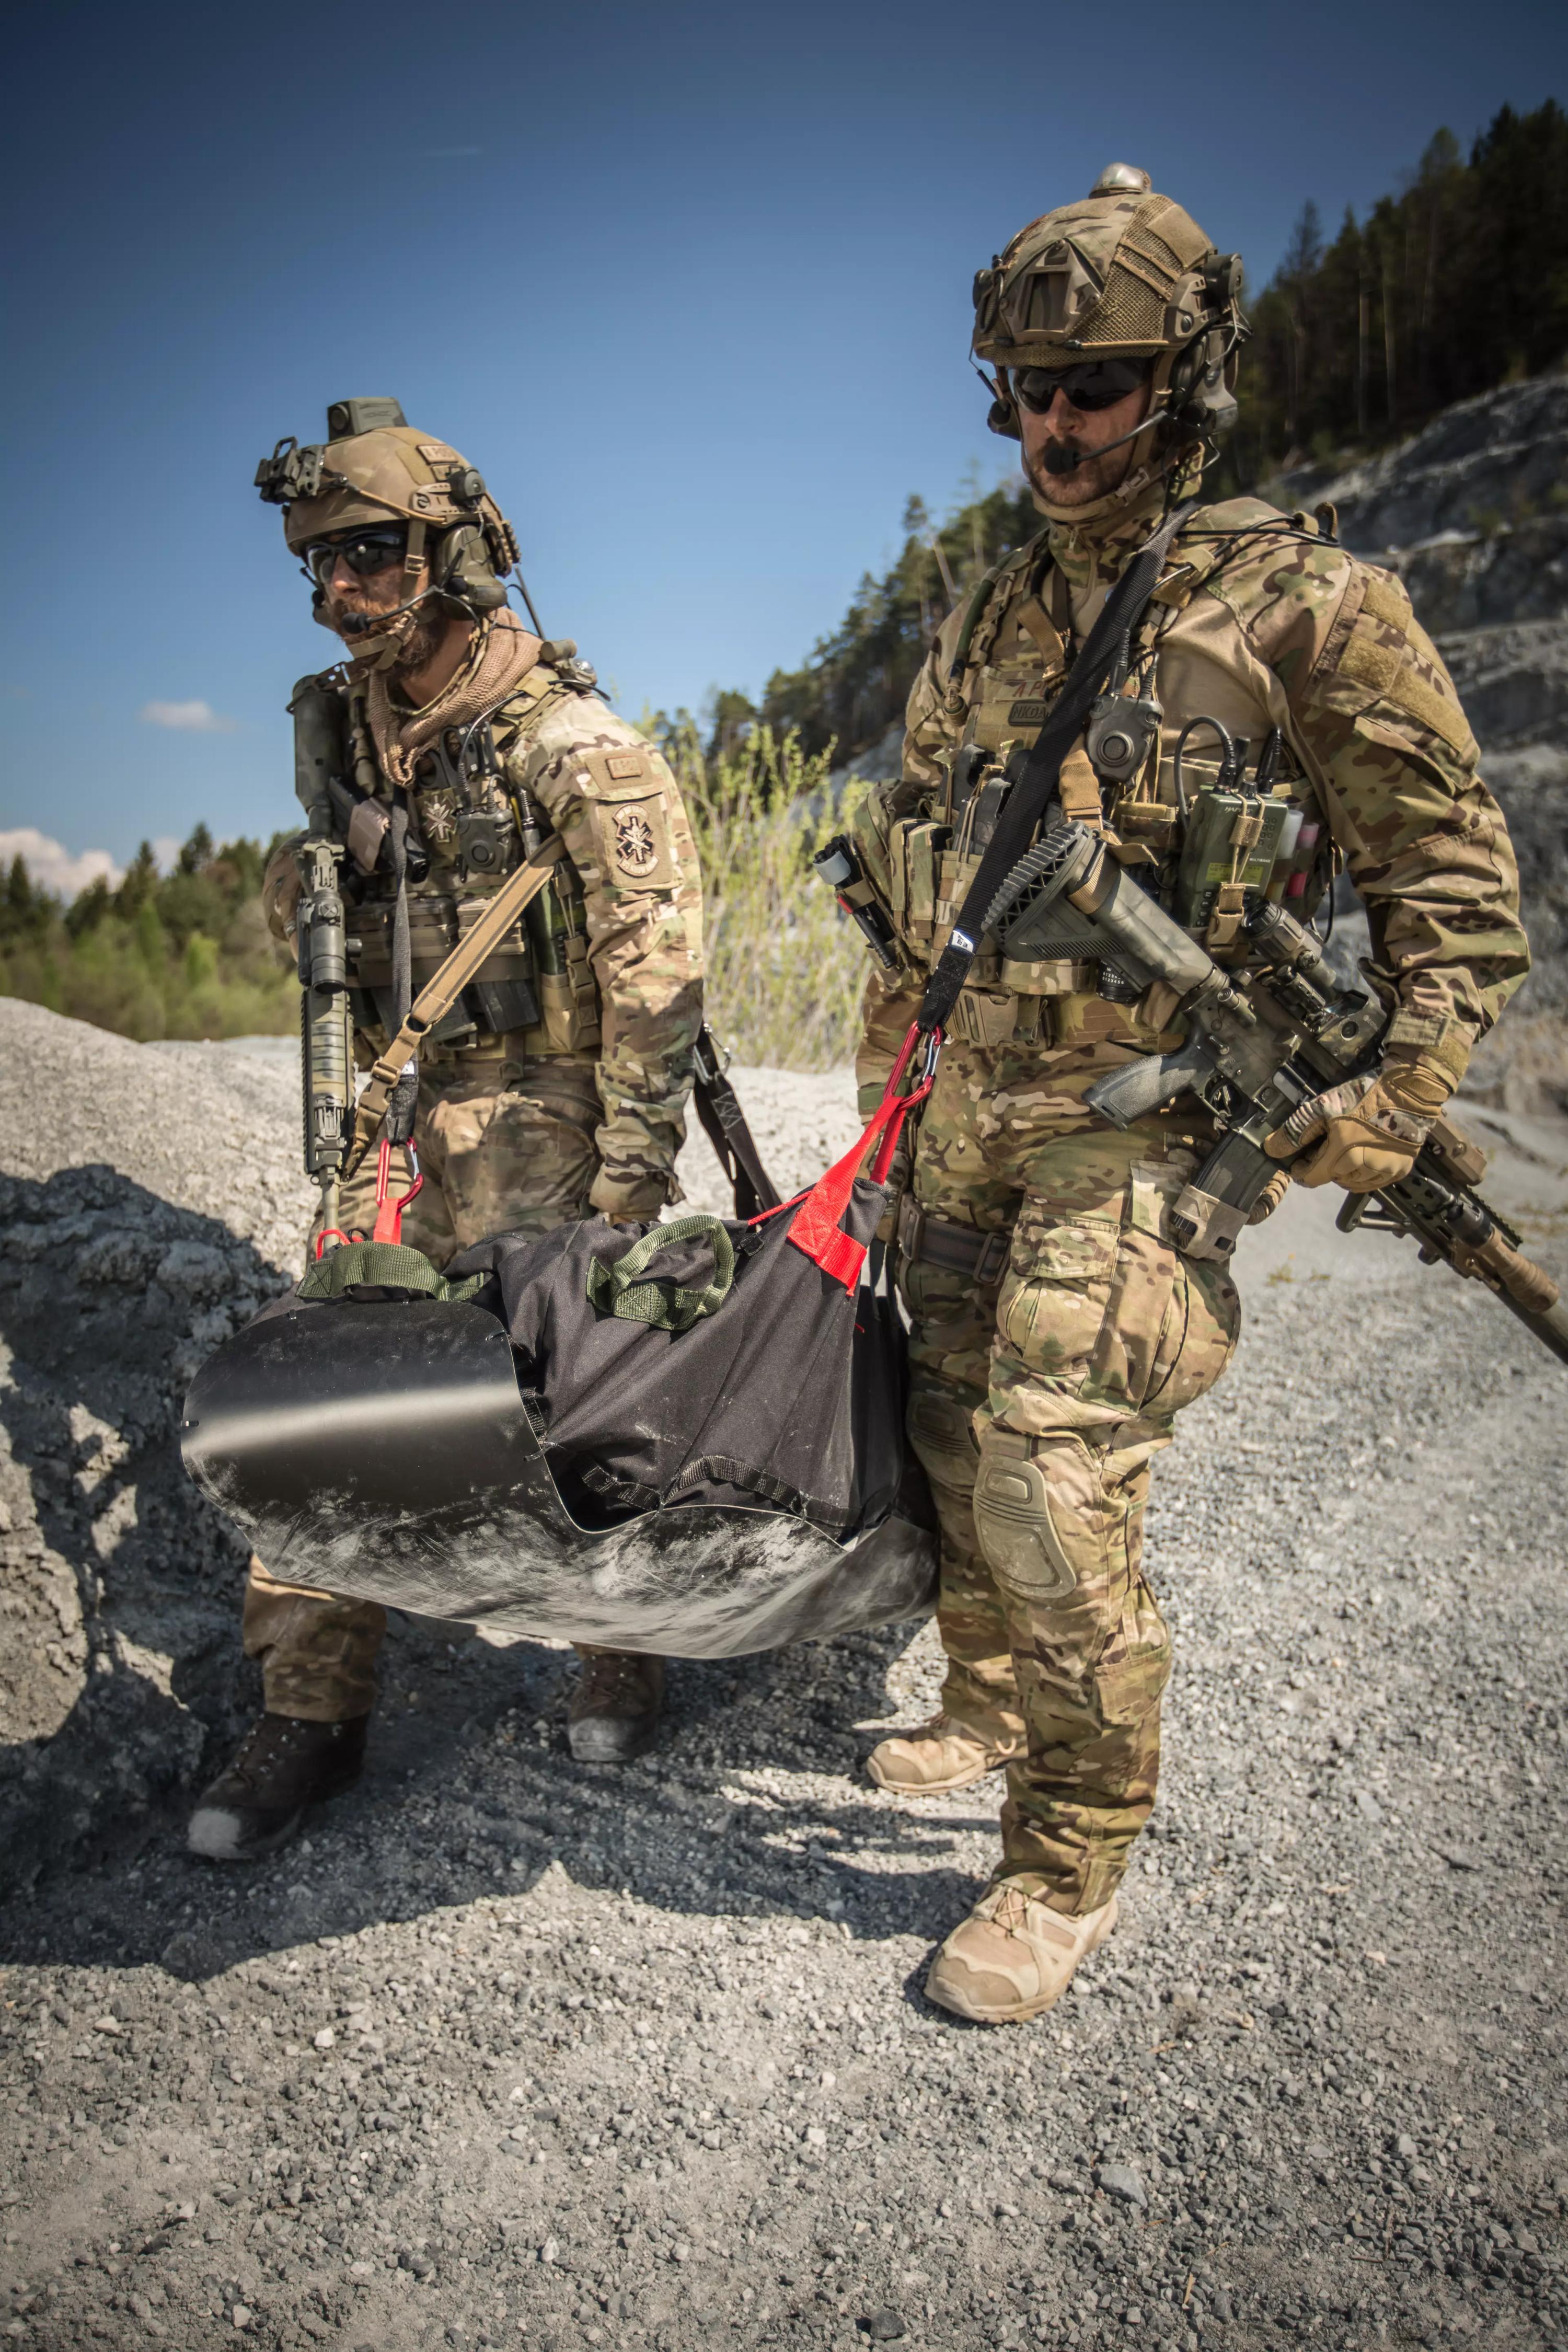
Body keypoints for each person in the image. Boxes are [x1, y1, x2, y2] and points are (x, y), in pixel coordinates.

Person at [848, 168, 1529, 2021]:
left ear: (1189, 378)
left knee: (1056, 1471)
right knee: (946, 1437)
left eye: (1104, 385)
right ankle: (983, 1698)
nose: (1058, 428)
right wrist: (888, 1109)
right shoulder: (987, 618)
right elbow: (917, 883)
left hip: (1155, 1128)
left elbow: (1455, 898)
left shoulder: (1307, 602)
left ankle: (1065, 1858)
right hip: (970, 1117)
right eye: (1030, 390)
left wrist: (1388, 1099)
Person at [189, 399, 704, 1860]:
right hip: (391, 1120)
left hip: (545, 1116)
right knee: (323, 1394)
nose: (338, 590)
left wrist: (625, 1183)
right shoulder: (342, 733)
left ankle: (617, 1644)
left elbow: (656, 978)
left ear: (453, 553)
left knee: (567, 1394)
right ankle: (310, 1700)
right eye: (320, 564)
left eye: (368, 555)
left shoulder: (571, 743)